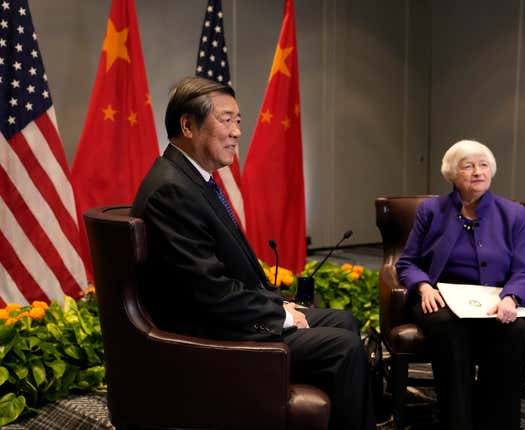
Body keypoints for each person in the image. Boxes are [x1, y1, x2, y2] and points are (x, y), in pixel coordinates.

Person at [131, 76, 375, 430]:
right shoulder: (172, 190)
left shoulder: (191, 179)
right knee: (344, 347)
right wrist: (279, 314)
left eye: (239, 121)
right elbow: (208, 291)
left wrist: (276, 306)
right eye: (226, 120)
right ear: (187, 124)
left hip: (221, 317)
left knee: (344, 322)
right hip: (204, 337)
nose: (236, 132)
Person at [395, 139, 525, 430]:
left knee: (514, 328)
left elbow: (524, 270)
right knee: (447, 326)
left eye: (483, 165)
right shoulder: (431, 211)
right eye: (468, 166)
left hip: (496, 298)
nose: (477, 172)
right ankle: (456, 422)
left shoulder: (513, 214)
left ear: (492, 171)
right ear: (451, 173)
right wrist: (424, 287)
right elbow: (406, 263)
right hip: (442, 297)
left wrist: (510, 298)